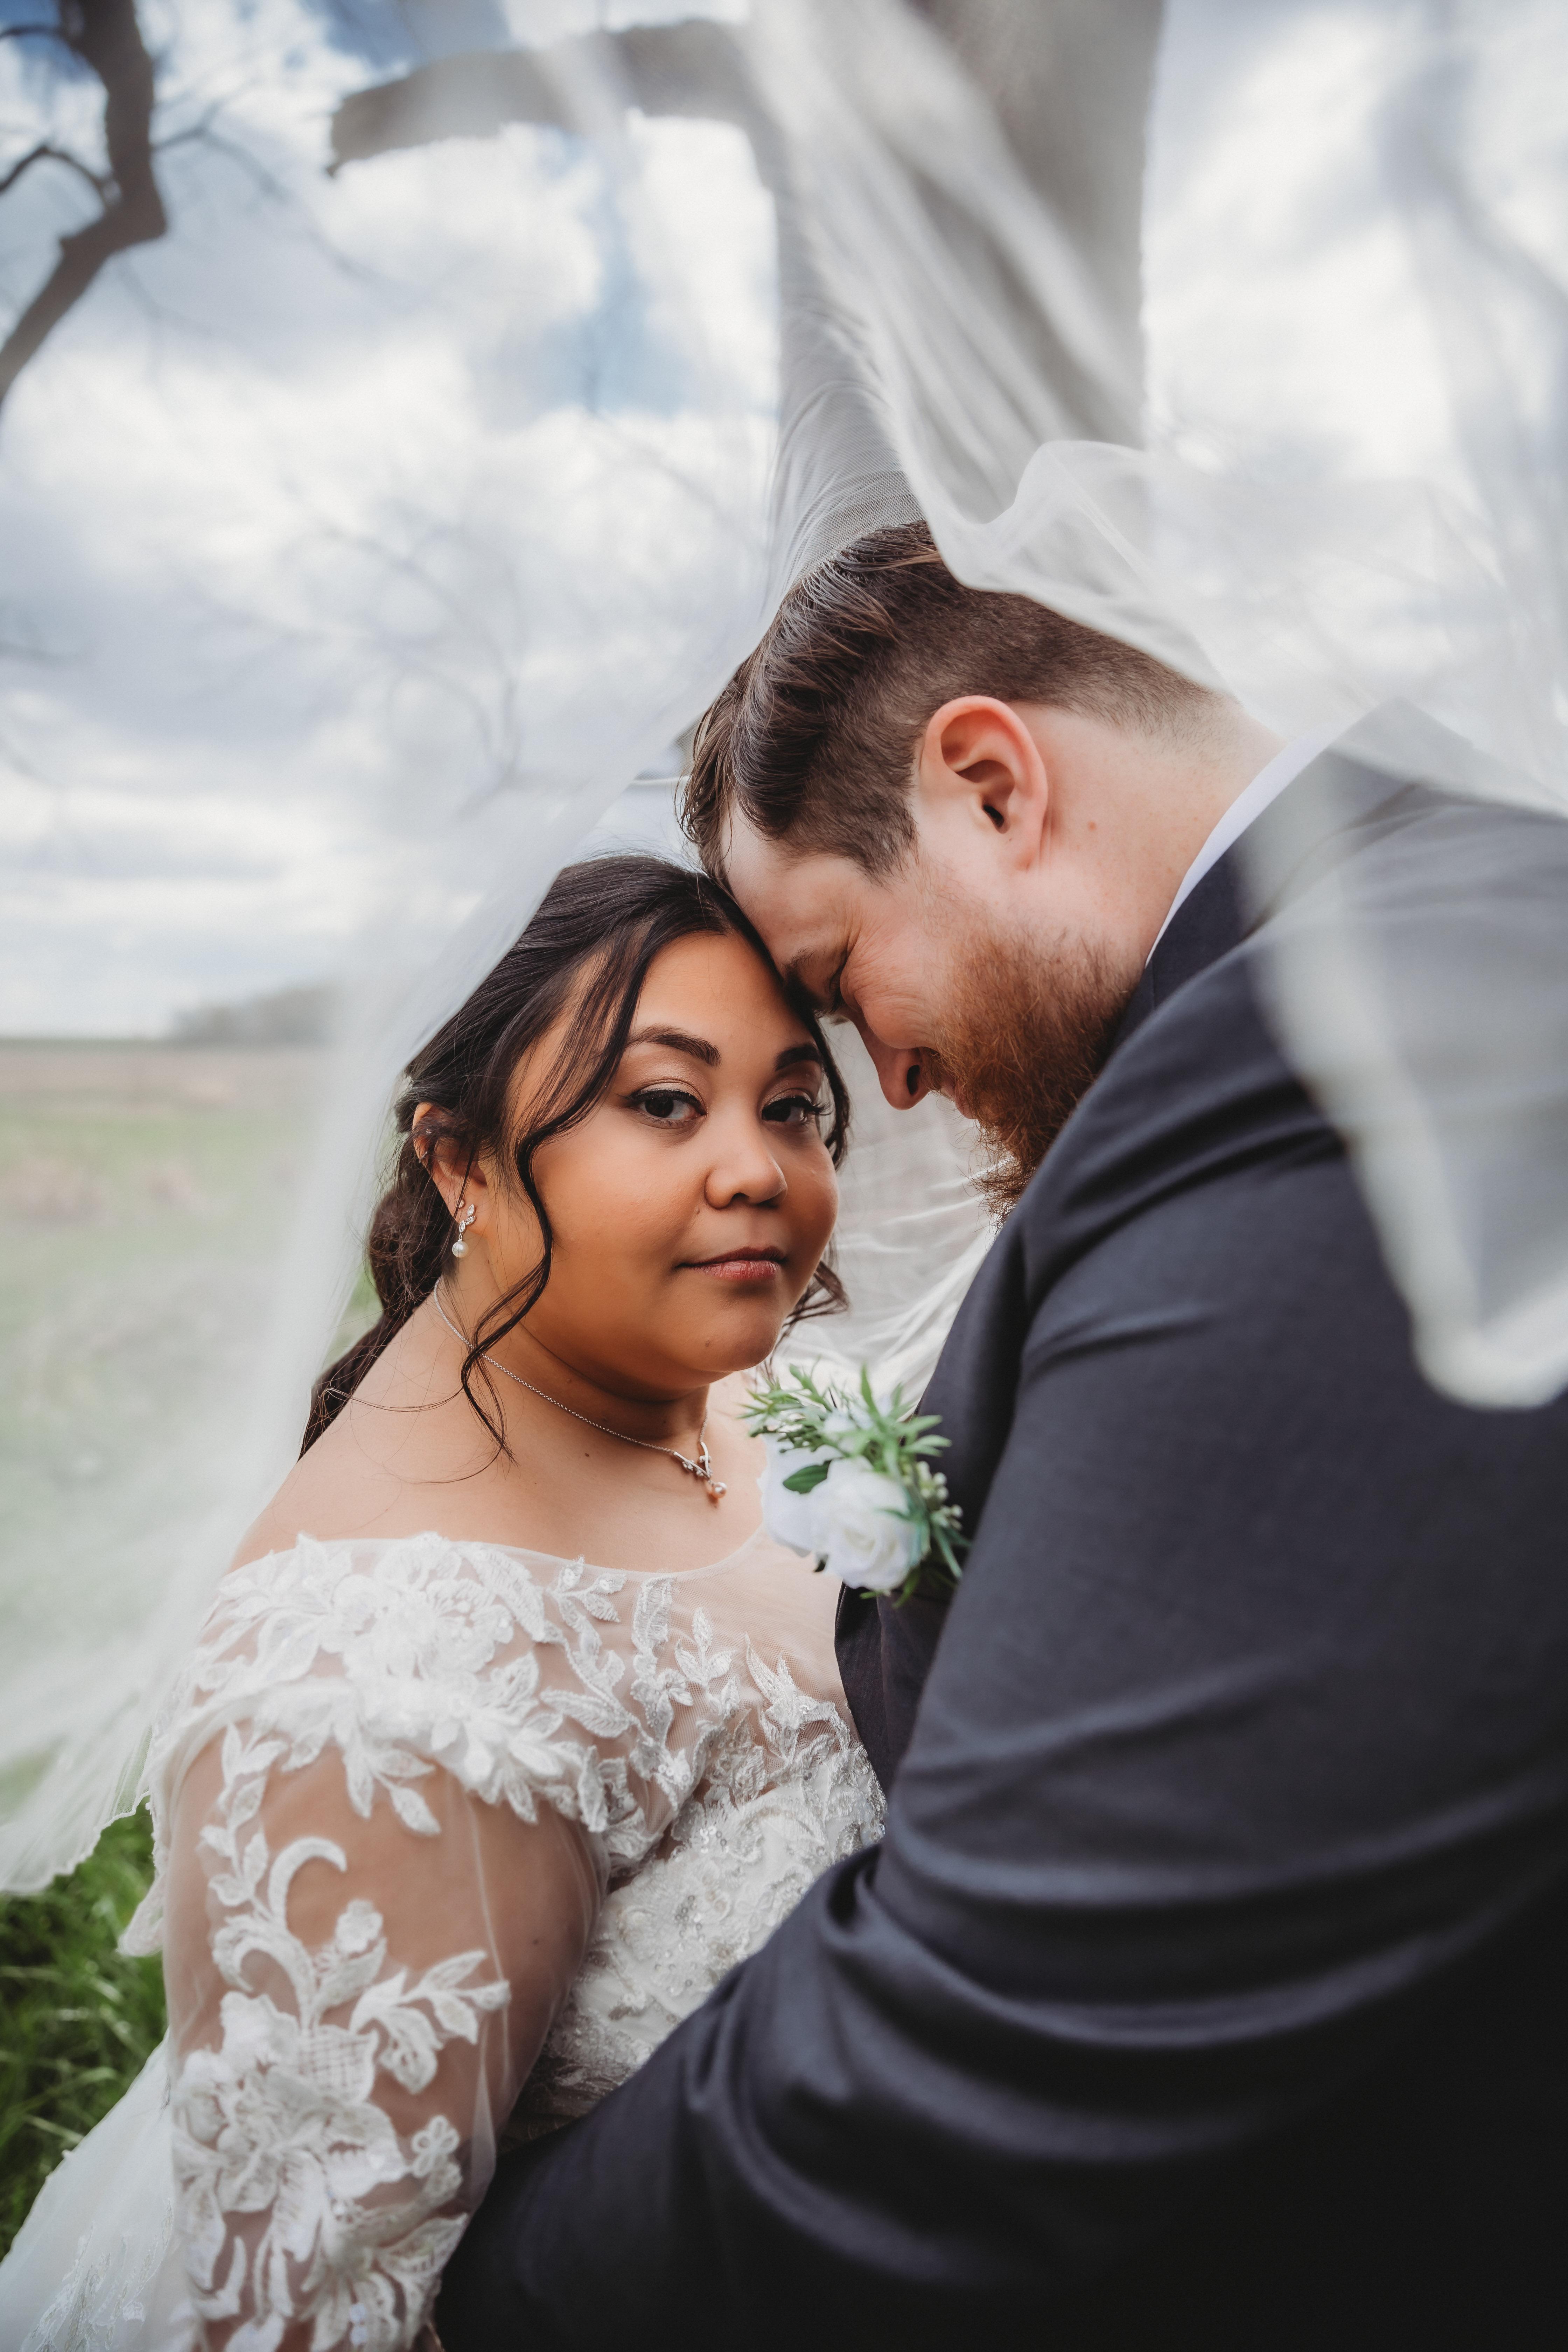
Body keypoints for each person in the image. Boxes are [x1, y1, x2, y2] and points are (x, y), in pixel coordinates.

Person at [438, 524, 1568, 2349]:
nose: (886, 1076)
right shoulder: (1424, 919)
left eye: (839, 975)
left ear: (987, 783)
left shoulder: (1327, 1059)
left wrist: (497, 2296)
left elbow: (1019, 1999)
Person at [0, 854, 882, 2352]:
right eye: (667, 1102)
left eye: (791, 1106)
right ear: (459, 1162)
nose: (758, 1170)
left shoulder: (775, 1404)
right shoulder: (383, 1681)